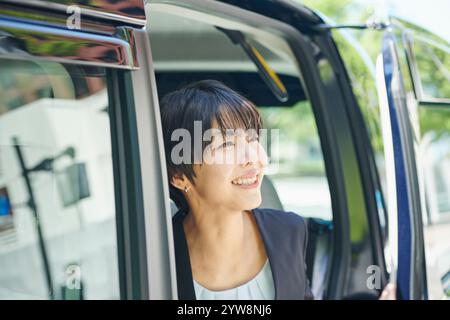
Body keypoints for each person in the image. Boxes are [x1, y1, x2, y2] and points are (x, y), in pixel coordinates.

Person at [160, 79, 395, 300]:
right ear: (179, 176)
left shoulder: (287, 232)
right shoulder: (157, 252)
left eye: (253, 139)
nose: (255, 159)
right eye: (227, 144)